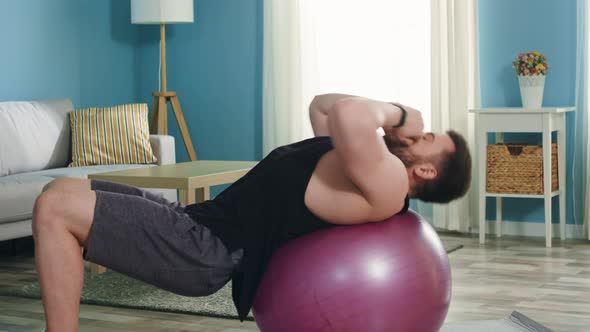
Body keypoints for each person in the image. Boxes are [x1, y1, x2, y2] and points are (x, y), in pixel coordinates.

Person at [33, 93, 471, 331]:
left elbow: (349, 112)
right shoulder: (361, 163)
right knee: (61, 187)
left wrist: (400, 111)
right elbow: (323, 105)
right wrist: (398, 120)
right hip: (195, 221)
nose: (416, 131)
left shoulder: (389, 182)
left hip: (204, 250)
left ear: (427, 169)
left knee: (54, 207)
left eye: (427, 136)